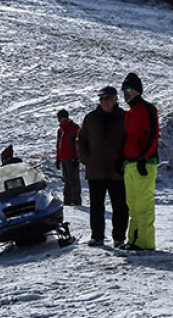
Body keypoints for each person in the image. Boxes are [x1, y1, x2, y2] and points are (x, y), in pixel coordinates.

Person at [77, 86, 128, 247]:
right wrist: (87, 159)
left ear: (115, 99)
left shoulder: (125, 117)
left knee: (120, 206)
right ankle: (97, 236)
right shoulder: (90, 118)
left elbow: (131, 141)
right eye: (102, 99)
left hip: (117, 170)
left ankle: (119, 238)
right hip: (96, 170)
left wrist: (125, 160)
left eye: (108, 99)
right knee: (96, 206)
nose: (104, 102)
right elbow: (81, 140)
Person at [121, 73, 160, 251]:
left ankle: (145, 242)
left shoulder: (148, 109)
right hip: (130, 163)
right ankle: (134, 240)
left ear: (137, 90)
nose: (125, 93)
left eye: (128, 89)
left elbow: (153, 134)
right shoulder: (129, 113)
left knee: (144, 203)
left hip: (144, 163)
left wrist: (144, 158)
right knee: (133, 204)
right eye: (123, 90)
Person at [56, 109, 82, 206]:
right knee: (66, 180)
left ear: (65, 117)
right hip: (64, 158)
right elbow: (59, 145)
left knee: (74, 179)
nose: (59, 120)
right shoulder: (60, 130)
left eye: (60, 118)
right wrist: (58, 159)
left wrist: (76, 157)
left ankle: (76, 200)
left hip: (72, 158)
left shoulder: (74, 128)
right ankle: (67, 200)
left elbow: (77, 143)